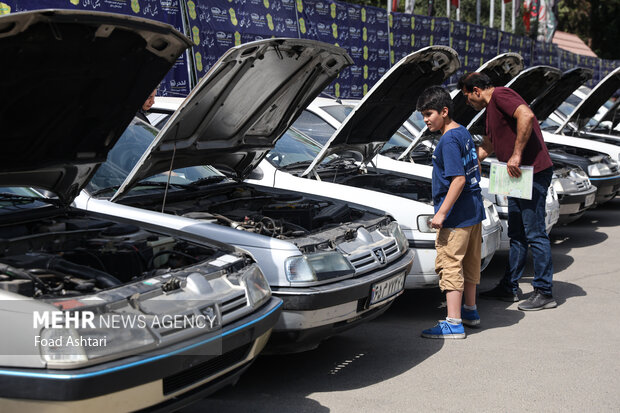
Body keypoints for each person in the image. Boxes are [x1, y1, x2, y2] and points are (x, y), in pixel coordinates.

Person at [458, 72, 557, 311]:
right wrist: (471, 161)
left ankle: (544, 292)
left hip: (530, 172)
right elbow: (490, 144)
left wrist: (516, 154)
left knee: (535, 233)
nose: (467, 103)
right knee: (517, 233)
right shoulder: (491, 111)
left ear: (476, 91)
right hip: (516, 176)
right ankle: (509, 286)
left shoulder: (500, 95)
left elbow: (526, 114)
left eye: (467, 97)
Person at [417, 86, 485, 339]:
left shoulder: (447, 140)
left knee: (450, 264)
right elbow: (474, 165)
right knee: (469, 262)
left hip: (456, 215)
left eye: (429, 113)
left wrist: (441, 213)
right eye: (423, 115)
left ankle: (453, 322)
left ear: (444, 111)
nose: (425, 120)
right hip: (473, 211)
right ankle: (470, 311)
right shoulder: (463, 132)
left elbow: (457, 179)